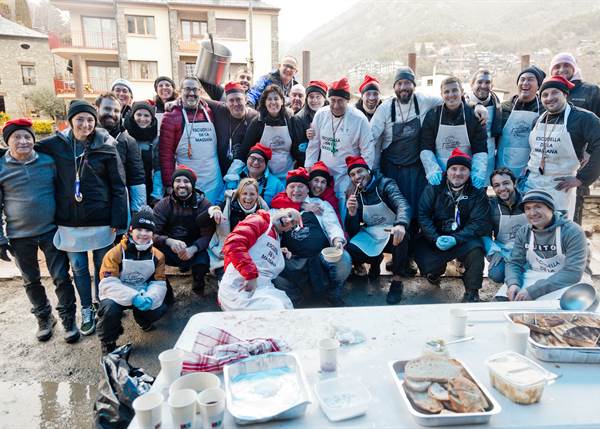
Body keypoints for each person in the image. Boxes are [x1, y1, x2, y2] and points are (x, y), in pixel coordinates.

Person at [37, 100, 128, 335]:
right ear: (70, 121)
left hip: (101, 219)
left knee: (100, 266)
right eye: (80, 119)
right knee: (78, 267)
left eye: (90, 119)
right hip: (69, 220)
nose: (85, 124)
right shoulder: (57, 145)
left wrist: (118, 223)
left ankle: (100, 304)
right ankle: (85, 308)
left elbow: (119, 186)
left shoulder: (107, 145)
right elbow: (25, 149)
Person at [0, 119, 79, 343]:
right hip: (18, 235)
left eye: (27, 137)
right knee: (30, 280)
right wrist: (0, 238)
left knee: (62, 277)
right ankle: (44, 318)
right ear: (8, 141)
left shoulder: (47, 162)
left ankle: (68, 319)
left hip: (51, 231)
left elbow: (62, 191)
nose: (23, 141)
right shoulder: (1, 167)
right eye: (17, 137)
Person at [371, 67, 443, 276]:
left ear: (413, 85)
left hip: (416, 169)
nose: (403, 87)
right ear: (394, 87)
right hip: (391, 169)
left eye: (407, 83)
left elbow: (448, 100)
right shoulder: (385, 109)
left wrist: (477, 108)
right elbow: (371, 137)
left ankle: (409, 257)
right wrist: (371, 168)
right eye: (399, 84)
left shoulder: (424, 100)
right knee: (394, 211)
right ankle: (395, 256)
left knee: (413, 214)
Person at [415, 148, 491, 303]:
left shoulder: (477, 192)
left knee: (476, 250)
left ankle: (472, 291)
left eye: (463, 169)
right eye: (453, 169)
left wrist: (456, 239)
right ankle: (435, 271)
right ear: (447, 171)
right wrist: (434, 237)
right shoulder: (434, 186)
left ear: (469, 172)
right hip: (437, 234)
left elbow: (479, 222)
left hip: (462, 237)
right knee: (428, 263)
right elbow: (423, 215)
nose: (458, 173)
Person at [521, 75, 600, 220]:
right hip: (533, 185)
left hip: (560, 188)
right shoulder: (537, 120)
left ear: (565, 94)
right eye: (545, 94)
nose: (549, 98)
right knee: (532, 227)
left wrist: (582, 178)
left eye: (554, 93)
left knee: (559, 231)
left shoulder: (583, 119)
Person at [271, 168, 351, 307]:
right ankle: (296, 299)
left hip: (320, 257)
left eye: (301, 186)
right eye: (292, 186)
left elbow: (332, 225)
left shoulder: (320, 204)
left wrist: (337, 240)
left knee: (344, 259)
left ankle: (333, 294)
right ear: (286, 190)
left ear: (307, 189)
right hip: (293, 260)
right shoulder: (276, 210)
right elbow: (271, 231)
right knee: (272, 271)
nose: (296, 190)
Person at [97, 207, 171, 354]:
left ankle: (143, 320)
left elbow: (159, 283)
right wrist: (133, 296)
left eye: (148, 230)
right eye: (139, 229)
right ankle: (108, 343)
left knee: (161, 305)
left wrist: (150, 297)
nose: (143, 234)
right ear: (131, 230)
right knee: (109, 309)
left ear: (153, 233)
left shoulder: (158, 256)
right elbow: (108, 283)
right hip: (118, 294)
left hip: (143, 292)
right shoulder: (115, 253)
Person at [499, 190, 589, 301]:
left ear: (551, 208)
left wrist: (534, 291)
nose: (532, 213)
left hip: (563, 280)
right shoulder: (524, 232)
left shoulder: (572, 231)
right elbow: (514, 262)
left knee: (559, 311)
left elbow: (573, 272)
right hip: (534, 276)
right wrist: (513, 283)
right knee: (501, 302)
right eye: (528, 208)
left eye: (538, 207)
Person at [344, 156, 411, 304]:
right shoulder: (352, 193)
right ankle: (374, 260)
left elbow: (402, 204)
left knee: (401, 238)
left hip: (391, 230)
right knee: (351, 249)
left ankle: (397, 281)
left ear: (368, 170)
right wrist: (352, 214)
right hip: (372, 232)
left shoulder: (385, 184)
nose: (357, 177)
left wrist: (400, 224)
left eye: (359, 171)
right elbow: (353, 231)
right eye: (352, 175)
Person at [549, 52, 600, 225]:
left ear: (575, 67)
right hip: (553, 166)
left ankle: (575, 246)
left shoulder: (591, 91)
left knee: (574, 210)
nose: (562, 69)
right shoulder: (549, 91)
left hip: (580, 164)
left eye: (566, 65)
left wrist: (588, 155)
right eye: (557, 66)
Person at [305, 77, 374, 203]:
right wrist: (309, 170)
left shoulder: (359, 119)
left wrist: (356, 182)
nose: (336, 105)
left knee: (343, 209)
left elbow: (368, 153)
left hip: (347, 175)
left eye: (340, 101)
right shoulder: (321, 115)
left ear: (348, 100)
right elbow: (313, 147)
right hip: (324, 174)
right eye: (333, 100)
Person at [218, 208, 302, 311]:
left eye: (292, 223)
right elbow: (234, 244)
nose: (288, 220)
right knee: (275, 307)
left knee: (286, 305)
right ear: (280, 211)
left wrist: (280, 253)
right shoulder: (259, 221)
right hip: (240, 287)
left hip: (262, 288)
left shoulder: (276, 238)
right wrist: (250, 275)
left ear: (288, 229)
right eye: (289, 215)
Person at [159, 76, 224, 204]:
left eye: (195, 89)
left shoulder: (209, 112)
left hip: (213, 179)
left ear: (200, 92)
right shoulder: (171, 116)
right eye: (187, 89)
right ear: (180, 91)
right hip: (186, 182)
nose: (191, 93)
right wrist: (169, 183)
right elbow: (165, 155)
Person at [153, 166, 214, 295]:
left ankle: (198, 285)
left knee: (203, 261)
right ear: (173, 184)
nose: (182, 185)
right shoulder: (163, 205)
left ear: (192, 185)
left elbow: (208, 235)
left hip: (193, 248)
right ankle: (165, 290)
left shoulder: (204, 205)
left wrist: (193, 249)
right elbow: (151, 233)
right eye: (178, 181)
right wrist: (169, 241)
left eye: (186, 181)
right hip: (170, 248)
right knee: (151, 256)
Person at [419, 76, 488, 190]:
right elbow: (426, 146)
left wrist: (477, 173)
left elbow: (480, 149)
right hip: (440, 174)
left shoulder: (474, 115)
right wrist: (432, 170)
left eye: (455, 90)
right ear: (441, 95)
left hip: (465, 175)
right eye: (446, 91)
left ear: (462, 92)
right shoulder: (433, 115)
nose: (451, 94)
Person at [205, 178, 269, 276]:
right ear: (239, 194)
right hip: (225, 253)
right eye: (244, 193)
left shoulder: (262, 211)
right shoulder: (228, 205)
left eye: (252, 194)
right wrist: (214, 211)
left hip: (253, 255)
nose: (248, 198)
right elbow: (200, 220)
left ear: (257, 196)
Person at [95, 93, 146, 213]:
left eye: (116, 111)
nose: (112, 114)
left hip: (118, 206)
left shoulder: (128, 141)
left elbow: (137, 178)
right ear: (97, 109)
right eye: (107, 109)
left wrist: (137, 212)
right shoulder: (84, 137)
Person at [239, 85, 298, 182]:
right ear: (265, 103)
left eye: (276, 99)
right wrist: (235, 171)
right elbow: (245, 149)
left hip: (287, 175)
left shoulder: (290, 119)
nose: (273, 102)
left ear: (282, 101)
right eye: (269, 99)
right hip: (264, 177)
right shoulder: (258, 122)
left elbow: (296, 148)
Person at [496, 66, 546, 178]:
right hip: (503, 168)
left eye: (530, 79)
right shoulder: (504, 108)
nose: (525, 82)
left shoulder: (545, 110)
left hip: (532, 169)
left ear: (538, 86)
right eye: (522, 79)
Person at [206, 81, 258, 177]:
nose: (235, 103)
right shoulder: (220, 109)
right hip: (219, 169)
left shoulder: (255, 117)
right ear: (226, 102)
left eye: (239, 99)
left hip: (246, 170)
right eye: (231, 100)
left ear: (246, 99)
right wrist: (174, 102)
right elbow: (197, 98)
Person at [484, 168, 528, 284]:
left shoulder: (528, 201)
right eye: (496, 185)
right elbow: (484, 234)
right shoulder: (490, 206)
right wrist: (495, 251)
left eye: (506, 183)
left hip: (529, 250)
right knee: (496, 274)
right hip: (504, 250)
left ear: (514, 183)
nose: (502, 188)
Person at [464, 69, 503, 185]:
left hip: (488, 152)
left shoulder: (496, 104)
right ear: (472, 84)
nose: (484, 86)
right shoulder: (464, 101)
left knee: (482, 188)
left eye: (487, 83)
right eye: (480, 82)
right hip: (467, 151)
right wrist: (476, 105)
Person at [124, 101, 163, 206]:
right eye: (139, 114)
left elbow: (158, 167)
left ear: (151, 119)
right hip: (127, 186)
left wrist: (157, 194)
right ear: (133, 116)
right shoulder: (125, 136)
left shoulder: (156, 139)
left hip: (150, 187)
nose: (142, 118)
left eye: (146, 115)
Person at [291, 80, 328, 166]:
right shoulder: (299, 119)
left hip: (329, 162)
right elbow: (297, 150)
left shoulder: (331, 115)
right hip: (308, 165)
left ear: (324, 98)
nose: (314, 100)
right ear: (307, 98)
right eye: (311, 97)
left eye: (318, 97)